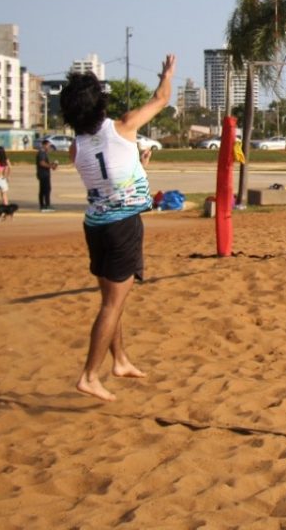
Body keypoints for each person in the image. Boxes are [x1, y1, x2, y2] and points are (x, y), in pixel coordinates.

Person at [63, 53, 175, 402]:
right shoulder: (123, 126)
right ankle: (89, 376)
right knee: (112, 305)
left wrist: (138, 165)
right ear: (100, 103)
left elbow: (108, 174)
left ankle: (121, 360)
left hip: (95, 225)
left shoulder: (75, 148)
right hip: (121, 226)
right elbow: (162, 99)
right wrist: (167, 74)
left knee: (111, 300)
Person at [36, 138, 58, 212]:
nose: (49, 147)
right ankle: (47, 205)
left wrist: (52, 164)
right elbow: (42, 163)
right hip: (43, 174)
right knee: (46, 189)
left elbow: (45, 163)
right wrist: (51, 166)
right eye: (48, 145)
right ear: (44, 145)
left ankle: (43, 205)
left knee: (43, 190)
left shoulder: (43, 153)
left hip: (44, 173)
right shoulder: (42, 153)